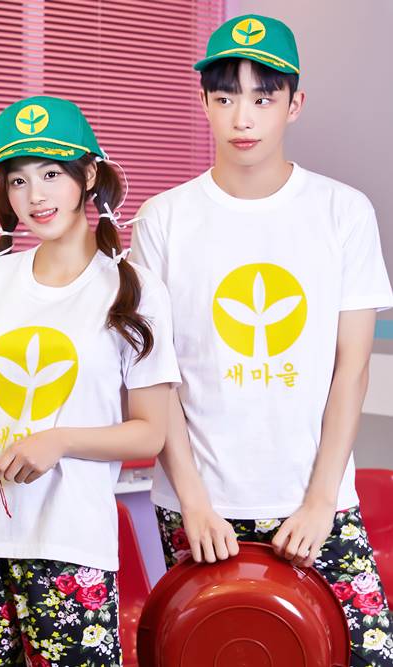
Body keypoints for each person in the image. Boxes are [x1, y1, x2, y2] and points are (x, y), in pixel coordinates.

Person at [131, 14, 393, 665]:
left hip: (316, 501)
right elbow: (155, 377)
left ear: (294, 103)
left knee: (366, 653)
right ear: (204, 103)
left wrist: (320, 501)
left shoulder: (343, 211)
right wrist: (193, 502)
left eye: (262, 98)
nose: (242, 118)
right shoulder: (163, 218)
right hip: (200, 509)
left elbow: (352, 370)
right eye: (224, 98)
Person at [0, 95, 180, 667]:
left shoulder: (134, 289)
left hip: (68, 541)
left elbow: (150, 433)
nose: (35, 196)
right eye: (18, 180)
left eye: (51, 173)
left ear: (89, 177)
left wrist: (60, 440)